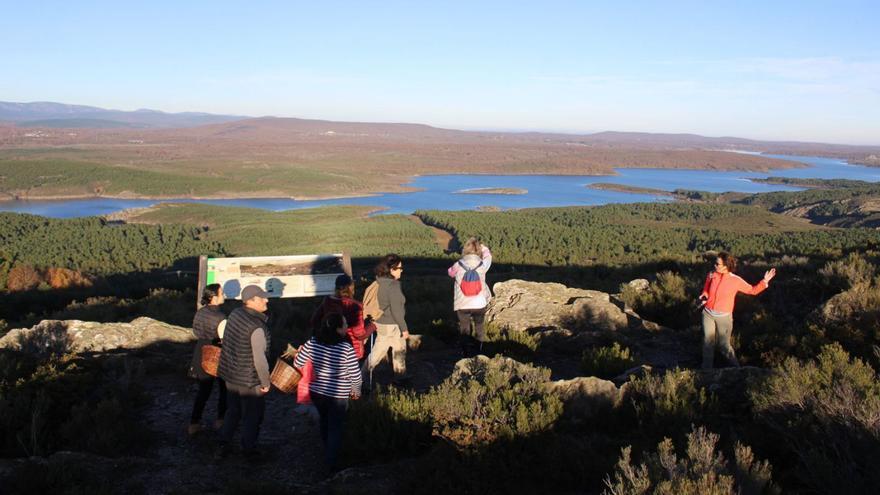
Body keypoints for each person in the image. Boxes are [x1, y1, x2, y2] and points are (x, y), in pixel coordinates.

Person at [293, 312, 362, 473]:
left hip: (317, 392)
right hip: (338, 395)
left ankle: (327, 451)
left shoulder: (313, 342)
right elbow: (356, 375)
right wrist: (356, 391)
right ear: (338, 329)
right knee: (336, 427)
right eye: (344, 324)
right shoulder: (345, 348)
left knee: (325, 422)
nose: (347, 327)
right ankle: (331, 463)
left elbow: (298, 362)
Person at [297, 274, 376, 412]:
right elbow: (359, 334)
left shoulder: (327, 301)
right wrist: (372, 326)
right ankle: (349, 410)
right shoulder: (355, 306)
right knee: (348, 379)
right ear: (351, 287)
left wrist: (324, 330)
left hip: (325, 345)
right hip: (349, 348)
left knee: (324, 376)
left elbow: (314, 321)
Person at [217, 285, 272, 458]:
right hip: (249, 380)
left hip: (231, 374)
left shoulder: (235, 314)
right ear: (251, 301)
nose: (266, 300)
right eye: (262, 297)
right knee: (252, 415)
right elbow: (260, 359)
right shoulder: (256, 326)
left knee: (233, 410)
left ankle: (223, 442)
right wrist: (265, 382)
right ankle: (249, 450)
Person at [698, 252, 776, 369]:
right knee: (707, 343)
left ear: (726, 266)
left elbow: (752, 290)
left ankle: (737, 369)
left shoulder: (735, 280)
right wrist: (704, 295)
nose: (714, 265)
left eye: (717, 264)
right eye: (715, 263)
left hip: (724, 318)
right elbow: (706, 288)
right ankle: (706, 370)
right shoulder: (711, 275)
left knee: (723, 346)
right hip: (708, 314)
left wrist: (764, 282)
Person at [188, 284, 228, 435]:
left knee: (203, 391)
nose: (224, 295)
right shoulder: (221, 317)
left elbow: (196, 331)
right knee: (224, 389)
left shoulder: (200, 313)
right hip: (217, 352)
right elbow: (225, 339)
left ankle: (194, 423)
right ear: (213, 297)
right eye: (221, 293)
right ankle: (221, 420)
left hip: (201, 350)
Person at [366, 254, 410, 382]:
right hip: (393, 324)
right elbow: (397, 311)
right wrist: (404, 329)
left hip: (381, 323)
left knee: (385, 349)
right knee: (392, 351)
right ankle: (400, 377)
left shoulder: (379, 282)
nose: (402, 271)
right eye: (399, 268)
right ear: (392, 269)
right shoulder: (394, 286)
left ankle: (400, 376)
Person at [448, 237, 492, 357]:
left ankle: (466, 354)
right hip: (479, 303)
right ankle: (479, 353)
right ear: (478, 251)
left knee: (464, 330)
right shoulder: (482, 265)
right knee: (479, 327)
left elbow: (450, 272)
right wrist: (484, 248)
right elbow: (488, 257)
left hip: (462, 303)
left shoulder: (458, 264)